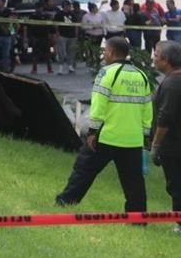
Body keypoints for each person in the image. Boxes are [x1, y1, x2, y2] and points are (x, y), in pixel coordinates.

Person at [55, 37, 152, 213]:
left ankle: (65, 202)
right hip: (132, 140)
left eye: (105, 51)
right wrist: (145, 135)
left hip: (106, 136)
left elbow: (98, 106)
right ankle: (138, 216)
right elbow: (147, 109)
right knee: (133, 181)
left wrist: (92, 131)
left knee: (84, 170)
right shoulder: (141, 76)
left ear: (112, 52)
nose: (103, 54)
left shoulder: (107, 73)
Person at [151, 40, 181, 233]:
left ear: (165, 60)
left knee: (176, 186)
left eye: (155, 56)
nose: (153, 59)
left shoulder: (171, 84)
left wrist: (155, 145)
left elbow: (165, 118)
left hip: (174, 147)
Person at [26, 1, 55, 74]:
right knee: (35, 54)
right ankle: (34, 69)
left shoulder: (46, 16)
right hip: (36, 37)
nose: (39, 9)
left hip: (45, 36)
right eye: (37, 8)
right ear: (35, 8)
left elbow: (51, 26)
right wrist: (28, 37)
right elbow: (28, 27)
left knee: (47, 54)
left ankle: (49, 68)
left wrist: (51, 36)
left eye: (40, 8)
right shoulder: (32, 16)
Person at [54, 0, 78, 75]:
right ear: (63, 6)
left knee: (71, 51)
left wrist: (76, 34)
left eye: (69, 6)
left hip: (72, 36)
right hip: (62, 35)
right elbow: (56, 25)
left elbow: (76, 24)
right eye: (67, 6)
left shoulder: (73, 14)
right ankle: (60, 67)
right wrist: (57, 33)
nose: (68, 7)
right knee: (62, 52)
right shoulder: (59, 14)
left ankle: (70, 66)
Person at [81, 2, 106, 70]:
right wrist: (91, 27)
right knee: (91, 50)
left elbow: (103, 24)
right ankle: (91, 62)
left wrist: (104, 32)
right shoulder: (86, 16)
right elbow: (83, 26)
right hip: (90, 35)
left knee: (97, 49)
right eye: (95, 8)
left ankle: (97, 63)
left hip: (99, 35)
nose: (97, 9)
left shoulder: (100, 16)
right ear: (92, 9)